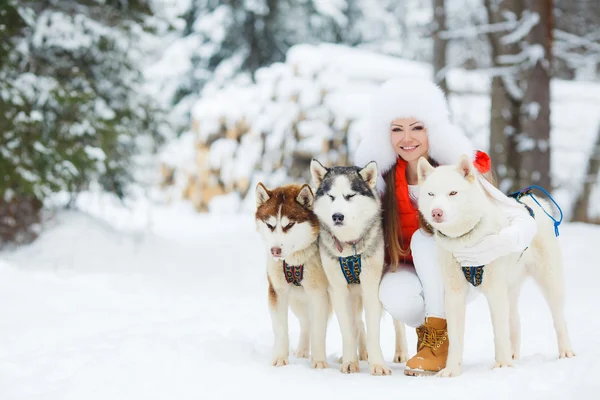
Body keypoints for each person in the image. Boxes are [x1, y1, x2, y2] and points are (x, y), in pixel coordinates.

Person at [353, 77, 538, 376]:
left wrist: (501, 243)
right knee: (393, 294)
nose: (406, 138)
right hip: (410, 271)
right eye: (396, 129)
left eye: (417, 127)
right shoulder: (381, 180)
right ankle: (433, 333)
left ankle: (436, 341)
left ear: (433, 130)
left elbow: (523, 219)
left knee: (426, 239)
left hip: (462, 271)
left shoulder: (457, 171)